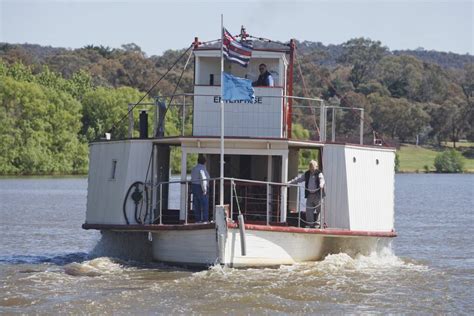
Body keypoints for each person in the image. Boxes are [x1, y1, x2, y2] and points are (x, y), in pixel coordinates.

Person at [288, 160, 325, 228]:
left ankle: (318, 224)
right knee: (309, 210)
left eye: (313, 167)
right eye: (311, 167)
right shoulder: (307, 174)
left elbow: (322, 179)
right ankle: (310, 224)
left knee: (319, 210)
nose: (312, 169)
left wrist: (321, 184)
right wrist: (289, 183)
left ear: (316, 167)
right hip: (310, 195)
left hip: (318, 195)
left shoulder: (319, 173)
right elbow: (299, 179)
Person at [191, 155, 210, 223]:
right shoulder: (202, 169)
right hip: (200, 187)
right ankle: (205, 220)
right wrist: (204, 190)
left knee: (196, 204)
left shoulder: (194, 168)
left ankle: (197, 219)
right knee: (204, 204)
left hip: (194, 187)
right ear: (205, 162)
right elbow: (203, 179)